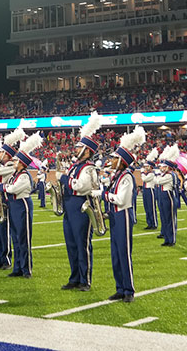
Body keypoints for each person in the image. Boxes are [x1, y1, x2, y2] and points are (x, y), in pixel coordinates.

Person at [60, 112, 102, 292]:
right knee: (71, 244)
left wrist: (64, 180)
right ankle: (75, 277)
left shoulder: (88, 168)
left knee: (82, 244)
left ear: (87, 150)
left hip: (81, 206)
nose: (75, 150)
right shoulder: (75, 166)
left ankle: (85, 280)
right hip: (70, 206)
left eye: (79, 147)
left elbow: (82, 187)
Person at [104, 125, 146, 303]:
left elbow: (121, 199)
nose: (111, 161)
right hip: (115, 216)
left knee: (124, 253)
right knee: (115, 253)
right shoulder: (116, 175)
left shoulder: (127, 177)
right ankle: (119, 288)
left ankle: (129, 289)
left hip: (123, 215)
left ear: (122, 161)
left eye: (115, 159)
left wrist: (104, 194)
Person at [0, 129, 38, 278]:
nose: (13, 162)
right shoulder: (15, 175)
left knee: (24, 238)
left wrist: (3, 187)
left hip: (22, 205)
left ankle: (26, 268)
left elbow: (13, 189)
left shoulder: (24, 176)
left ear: (22, 163)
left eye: (16, 160)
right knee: (15, 237)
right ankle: (17, 268)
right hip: (14, 205)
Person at [157, 144, 182, 246]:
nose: (161, 168)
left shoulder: (170, 175)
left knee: (170, 219)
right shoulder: (166, 174)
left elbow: (158, 181)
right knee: (165, 218)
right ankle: (167, 239)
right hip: (164, 195)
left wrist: (158, 176)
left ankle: (171, 239)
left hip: (168, 195)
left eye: (163, 166)